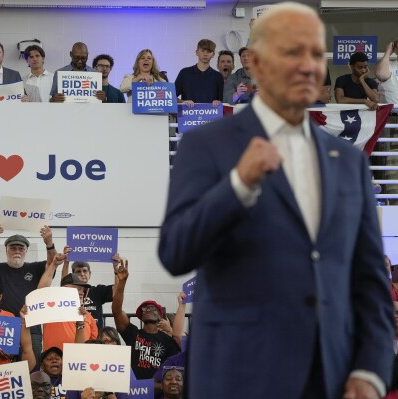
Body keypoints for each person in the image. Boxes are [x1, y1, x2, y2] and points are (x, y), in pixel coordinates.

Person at [158, 3, 394, 398]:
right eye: (292, 52)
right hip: (237, 377)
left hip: (330, 379)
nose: (307, 65)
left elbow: (369, 280)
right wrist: (238, 186)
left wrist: (370, 370)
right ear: (257, 63)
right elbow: (175, 251)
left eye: (316, 54)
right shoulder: (206, 145)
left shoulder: (348, 161)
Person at [0, 225, 57, 362]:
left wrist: (49, 244)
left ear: (26, 250)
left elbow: (53, 264)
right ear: (6, 250)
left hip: (31, 327)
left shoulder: (35, 268)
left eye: (21, 248)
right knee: (2, 368)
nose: (17, 251)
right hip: (2, 329)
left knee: (31, 369)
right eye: (13, 248)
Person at [111, 259, 179, 380]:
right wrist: (122, 282)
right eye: (145, 309)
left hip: (157, 391)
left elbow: (173, 369)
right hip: (135, 389)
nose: (148, 310)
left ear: (159, 316)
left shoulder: (168, 341)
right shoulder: (132, 333)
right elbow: (116, 311)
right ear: (141, 316)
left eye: (153, 309)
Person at [41, 272, 98, 351]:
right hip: (53, 361)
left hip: (78, 361)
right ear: (65, 289)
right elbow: (41, 291)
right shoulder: (50, 309)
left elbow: (92, 346)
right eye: (78, 288)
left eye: (83, 289)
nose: (82, 292)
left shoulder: (88, 317)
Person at [61, 259, 114, 329]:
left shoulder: (97, 290)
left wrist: (116, 271)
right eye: (78, 271)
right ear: (73, 275)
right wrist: (66, 262)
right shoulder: (71, 291)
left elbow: (116, 291)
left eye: (85, 271)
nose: (82, 274)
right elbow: (65, 282)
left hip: (96, 337)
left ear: (90, 274)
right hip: (76, 334)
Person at [174, 39, 224, 107]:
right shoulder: (185, 73)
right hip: (188, 116)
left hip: (211, 116)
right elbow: (171, 96)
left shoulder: (218, 76)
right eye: (202, 51)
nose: (205, 54)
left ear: (213, 54)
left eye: (208, 51)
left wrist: (218, 102)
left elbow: (223, 100)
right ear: (197, 52)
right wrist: (182, 102)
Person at [376, 39, 398, 104]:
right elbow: (381, 75)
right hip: (391, 111)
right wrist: (388, 51)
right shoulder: (389, 65)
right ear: (395, 50)